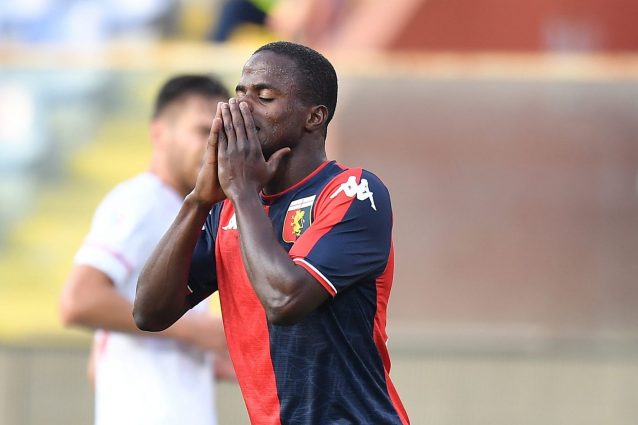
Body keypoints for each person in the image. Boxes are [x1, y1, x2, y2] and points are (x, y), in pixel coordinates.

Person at [134, 42, 410, 424]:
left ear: (314, 117)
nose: (241, 109)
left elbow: (284, 300)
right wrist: (198, 200)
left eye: (263, 97)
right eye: (239, 94)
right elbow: (149, 312)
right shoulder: (227, 207)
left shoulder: (352, 192)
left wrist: (242, 191)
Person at [59, 75, 234, 425]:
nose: (214, 146)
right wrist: (196, 330)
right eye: (203, 131)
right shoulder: (142, 200)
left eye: (223, 135)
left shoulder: (186, 213)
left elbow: (99, 362)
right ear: (159, 134)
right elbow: (78, 301)